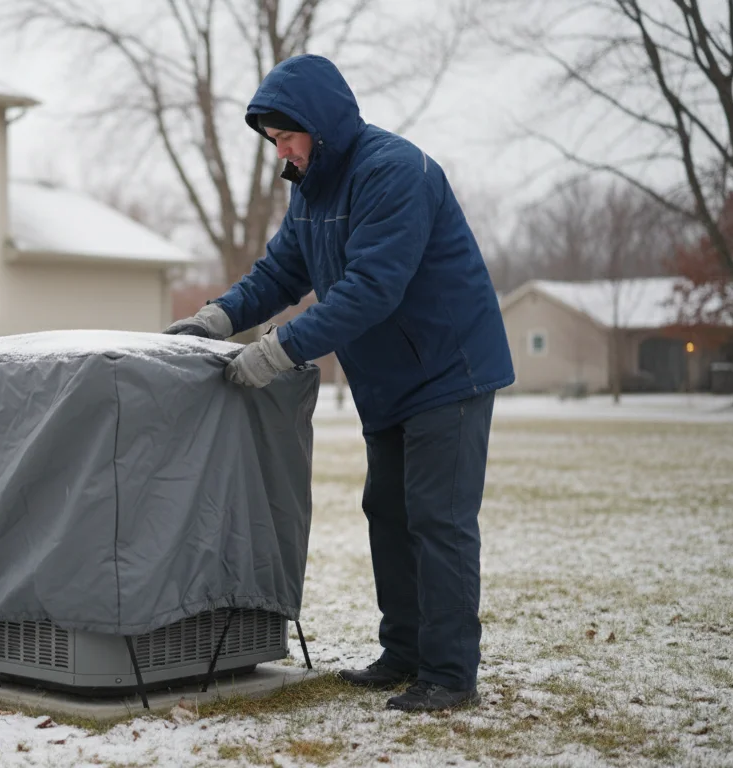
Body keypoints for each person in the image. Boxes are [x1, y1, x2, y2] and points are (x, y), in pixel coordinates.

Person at [164, 54, 514, 712]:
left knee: (437, 518)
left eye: (288, 138)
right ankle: (404, 652)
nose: (282, 154)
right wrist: (219, 317)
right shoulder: (312, 190)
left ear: (321, 126)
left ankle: (448, 674)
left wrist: (280, 349)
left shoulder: (393, 172)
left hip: (447, 367)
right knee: (388, 511)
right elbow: (279, 273)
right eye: (273, 142)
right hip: (387, 380)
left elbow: (371, 288)